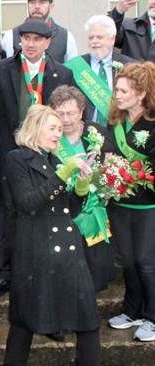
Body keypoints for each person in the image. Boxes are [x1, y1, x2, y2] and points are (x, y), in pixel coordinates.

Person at [3, 104, 101, 366]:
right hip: (36, 251)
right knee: (25, 323)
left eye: (60, 128)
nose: (59, 133)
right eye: (53, 128)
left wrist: (81, 185)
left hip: (68, 252)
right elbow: (29, 203)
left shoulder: (55, 160)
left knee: (88, 319)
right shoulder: (17, 158)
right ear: (35, 129)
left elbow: (69, 209)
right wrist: (63, 174)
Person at [0, 20, 75, 298]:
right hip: (8, 155)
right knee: (5, 216)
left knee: (41, 215)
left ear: (48, 43)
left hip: (45, 157)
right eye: (26, 38)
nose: (31, 43)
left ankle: (39, 273)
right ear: (19, 41)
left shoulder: (63, 73)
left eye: (38, 39)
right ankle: (4, 274)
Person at [49, 85, 117, 294]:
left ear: (82, 111)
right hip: (63, 213)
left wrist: (107, 188)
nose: (66, 119)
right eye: (60, 114)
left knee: (93, 276)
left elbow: (112, 164)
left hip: (94, 212)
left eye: (71, 113)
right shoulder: (48, 136)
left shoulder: (96, 132)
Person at [106, 62, 155, 342]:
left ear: (142, 94)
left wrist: (132, 173)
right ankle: (133, 310)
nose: (118, 95)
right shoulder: (116, 122)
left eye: (124, 91)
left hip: (149, 206)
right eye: (116, 89)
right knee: (127, 261)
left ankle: (152, 316)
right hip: (121, 204)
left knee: (146, 263)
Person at [65, 15, 137, 126]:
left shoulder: (130, 66)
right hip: (84, 132)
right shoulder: (74, 67)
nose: (94, 41)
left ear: (112, 39)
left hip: (120, 131)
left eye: (99, 37)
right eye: (91, 37)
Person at [1, 0, 78, 64]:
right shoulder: (11, 36)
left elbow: (73, 74)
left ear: (51, 6)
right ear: (27, 5)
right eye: (32, 2)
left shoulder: (66, 37)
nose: (37, 6)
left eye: (42, 2)